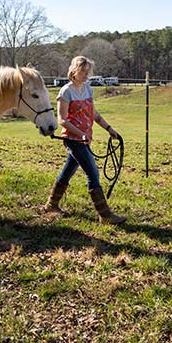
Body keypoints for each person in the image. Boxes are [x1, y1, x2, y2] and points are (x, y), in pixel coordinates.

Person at [44, 56, 126, 224]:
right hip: (73, 139)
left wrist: (109, 129)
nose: (86, 75)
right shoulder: (66, 92)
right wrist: (80, 134)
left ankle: (52, 204)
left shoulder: (88, 89)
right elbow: (62, 120)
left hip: (85, 139)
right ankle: (105, 215)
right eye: (83, 71)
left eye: (88, 72)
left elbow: (93, 114)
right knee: (93, 172)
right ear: (74, 71)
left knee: (68, 171)